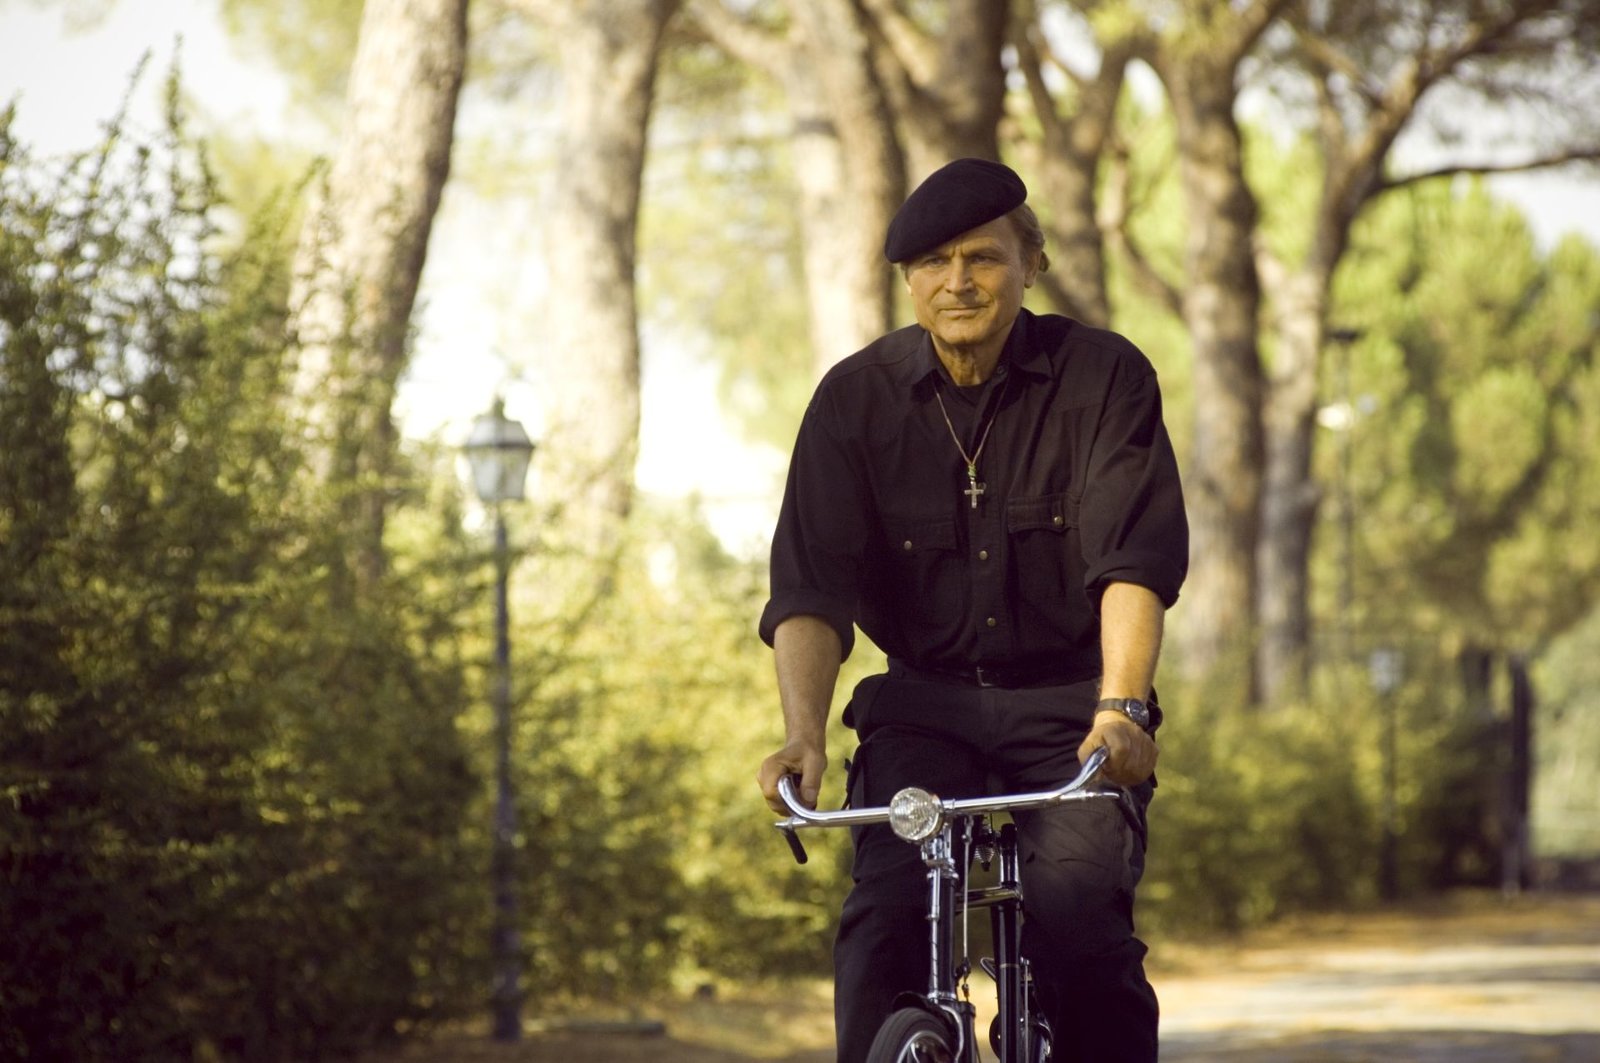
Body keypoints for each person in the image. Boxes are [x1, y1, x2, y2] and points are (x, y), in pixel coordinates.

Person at [755, 157, 1188, 1063]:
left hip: (1072, 706)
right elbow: (809, 590)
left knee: (1083, 934)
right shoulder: (853, 401)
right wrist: (802, 737)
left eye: (983, 257)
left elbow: (1132, 562)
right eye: (934, 262)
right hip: (923, 708)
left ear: (1032, 264)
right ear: (909, 279)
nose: (958, 281)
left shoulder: (1103, 378)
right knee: (881, 927)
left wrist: (1122, 707)